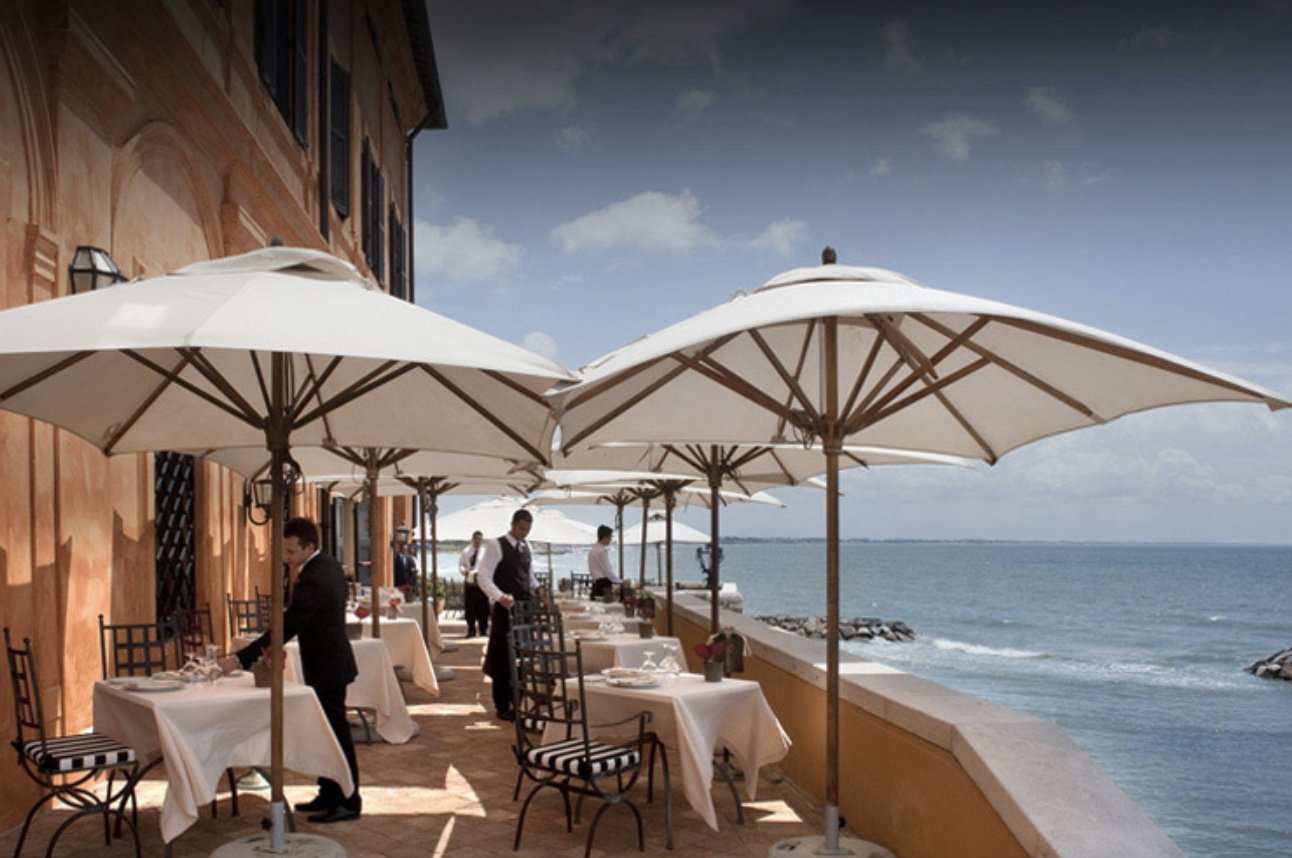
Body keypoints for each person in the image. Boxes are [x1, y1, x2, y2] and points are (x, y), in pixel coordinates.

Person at [220, 517, 361, 823]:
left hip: (328, 665)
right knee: (329, 733)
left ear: (309, 546)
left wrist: (238, 659)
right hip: (331, 661)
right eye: (283, 551)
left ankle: (350, 801)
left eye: (290, 551)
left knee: (336, 735)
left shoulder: (314, 577)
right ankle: (329, 793)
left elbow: (290, 622)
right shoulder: (330, 565)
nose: (286, 558)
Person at [476, 509, 544, 721]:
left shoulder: (526, 547)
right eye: (522, 528)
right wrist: (499, 597)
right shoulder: (496, 545)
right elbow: (483, 576)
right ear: (512, 524)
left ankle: (520, 701)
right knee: (502, 658)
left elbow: (529, 576)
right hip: (504, 611)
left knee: (522, 657)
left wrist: (539, 589)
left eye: (528, 530)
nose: (524, 533)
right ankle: (502, 704)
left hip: (524, 611)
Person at [459, 530, 490, 638]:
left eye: (480, 540)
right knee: (470, 606)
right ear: (473, 539)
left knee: (483, 606)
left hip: (481, 581)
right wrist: (465, 571)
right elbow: (461, 565)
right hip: (470, 581)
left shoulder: (485, 552)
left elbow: (488, 565)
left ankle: (483, 629)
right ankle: (471, 629)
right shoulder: (466, 551)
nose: (478, 541)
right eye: (476, 539)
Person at [588, 524, 620, 599]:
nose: (610, 540)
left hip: (596, 584)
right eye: (610, 537)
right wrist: (620, 581)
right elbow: (607, 571)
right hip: (603, 585)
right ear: (605, 537)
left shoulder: (593, 550)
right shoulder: (600, 551)